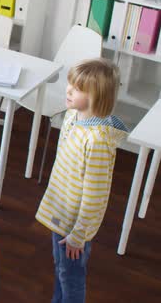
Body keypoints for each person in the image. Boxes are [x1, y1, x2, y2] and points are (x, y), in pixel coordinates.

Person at [35, 58, 128, 303]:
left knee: (71, 276)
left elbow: (94, 198)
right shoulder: (72, 116)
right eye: (70, 84)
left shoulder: (96, 142)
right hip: (62, 212)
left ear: (96, 97)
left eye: (77, 89)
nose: (68, 90)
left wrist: (78, 235)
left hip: (75, 225)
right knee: (61, 268)